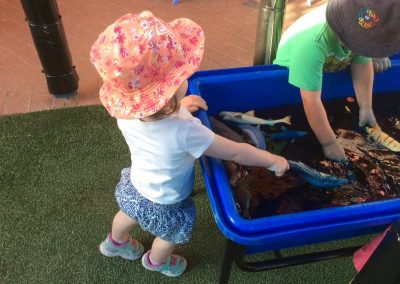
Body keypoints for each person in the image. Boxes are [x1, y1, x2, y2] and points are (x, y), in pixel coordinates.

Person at [90, 11, 289, 277]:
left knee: (128, 214)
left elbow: (155, 119)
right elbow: (237, 150)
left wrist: (179, 106)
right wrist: (273, 160)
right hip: (167, 200)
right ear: (169, 92)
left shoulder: (126, 113)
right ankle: (157, 261)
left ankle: (116, 243)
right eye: (180, 75)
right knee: (168, 234)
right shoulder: (185, 131)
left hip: (137, 186)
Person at [274, 0, 400, 162]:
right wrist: (328, 143)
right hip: (296, 69)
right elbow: (310, 100)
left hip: (330, 62)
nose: (368, 49)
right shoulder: (312, 44)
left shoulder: (358, 31)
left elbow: (362, 65)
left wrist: (366, 107)